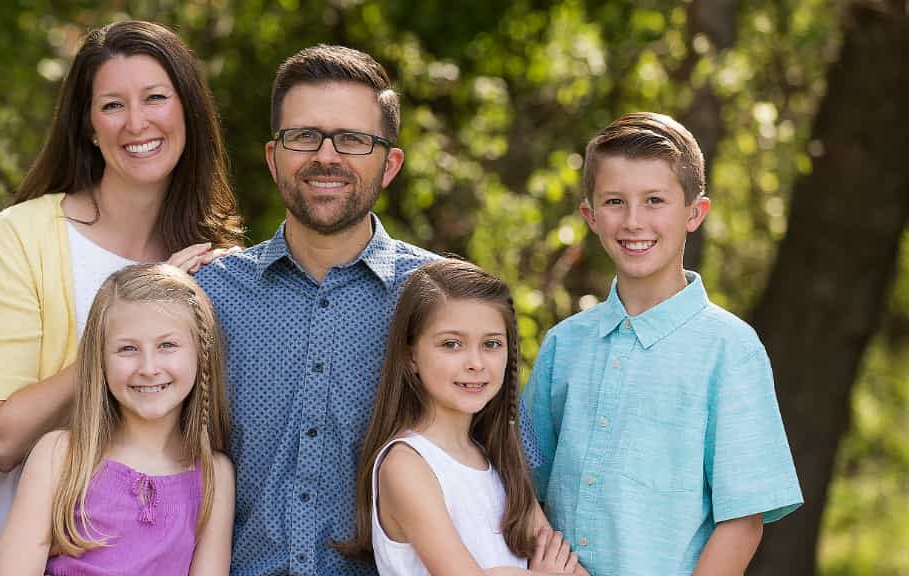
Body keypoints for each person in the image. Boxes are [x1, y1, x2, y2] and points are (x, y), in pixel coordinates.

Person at [0, 19, 242, 573]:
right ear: (88, 126)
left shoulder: (218, 262)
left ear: (187, 109)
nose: (137, 122)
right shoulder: (21, 237)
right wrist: (136, 307)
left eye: (156, 98)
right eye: (112, 105)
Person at [521, 112, 803, 575]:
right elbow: (523, 484)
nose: (634, 221)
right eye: (615, 201)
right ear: (590, 215)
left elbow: (743, 521)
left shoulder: (730, 350)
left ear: (695, 213)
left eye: (655, 200)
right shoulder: (563, 345)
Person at [193, 44, 437, 575]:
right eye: (303, 136)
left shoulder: (443, 299)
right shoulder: (207, 297)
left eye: (353, 139)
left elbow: (500, 470)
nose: (326, 156)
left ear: (389, 163)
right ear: (273, 156)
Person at [336, 259, 585, 576]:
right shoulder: (406, 464)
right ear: (411, 355)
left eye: (492, 344)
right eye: (452, 344)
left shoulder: (500, 461)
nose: (476, 363)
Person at [0, 263, 235, 575]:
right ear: (100, 359)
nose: (148, 367)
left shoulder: (214, 476)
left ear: (201, 354)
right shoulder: (60, 455)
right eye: (127, 349)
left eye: (167, 345)